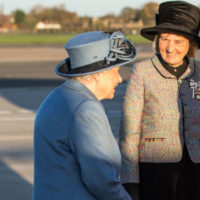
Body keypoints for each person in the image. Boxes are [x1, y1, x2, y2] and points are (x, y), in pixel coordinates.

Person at [119, 1, 200, 200]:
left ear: (190, 44)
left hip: (199, 171)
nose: (170, 48)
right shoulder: (142, 72)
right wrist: (130, 182)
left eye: (178, 41)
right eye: (164, 39)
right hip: (155, 172)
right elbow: (129, 133)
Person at [33, 31, 137, 200]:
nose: (119, 79)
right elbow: (101, 181)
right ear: (98, 75)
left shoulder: (57, 96)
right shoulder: (85, 108)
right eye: (115, 70)